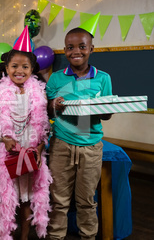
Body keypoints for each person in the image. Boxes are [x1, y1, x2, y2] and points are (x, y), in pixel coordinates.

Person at [46, 16, 113, 240]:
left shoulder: (103, 79)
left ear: (91, 49)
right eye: (70, 47)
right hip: (61, 146)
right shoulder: (56, 78)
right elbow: (45, 112)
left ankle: (88, 236)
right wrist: (53, 105)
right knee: (59, 201)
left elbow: (108, 114)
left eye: (82, 47)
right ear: (65, 50)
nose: (76, 51)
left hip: (90, 147)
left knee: (86, 202)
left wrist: (97, 106)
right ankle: (56, 236)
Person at [0, 27, 52, 240]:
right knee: (8, 197)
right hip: (8, 149)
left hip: (31, 148)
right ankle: (6, 234)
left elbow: (43, 126)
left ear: (32, 69)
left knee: (27, 196)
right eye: (14, 66)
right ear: (6, 67)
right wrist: (3, 138)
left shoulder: (39, 92)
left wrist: (40, 148)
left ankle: (24, 236)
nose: (19, 71)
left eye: (25, 66)